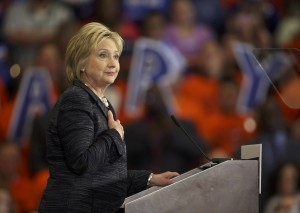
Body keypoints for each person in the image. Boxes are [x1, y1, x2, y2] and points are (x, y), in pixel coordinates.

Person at [38, 22, 179, 213]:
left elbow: (104, 176)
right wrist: (113, 135)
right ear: (82, 63)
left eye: (116, 56)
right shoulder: (76, 100)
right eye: (103, 55)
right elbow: (83, 163)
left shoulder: (100, 102)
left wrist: (150, 179)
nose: (113, 63)